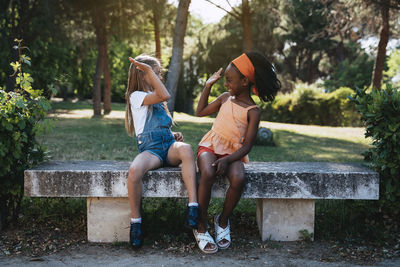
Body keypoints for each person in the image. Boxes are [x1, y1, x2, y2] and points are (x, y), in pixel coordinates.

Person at [193, 52, 281, 253]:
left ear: (244, 81)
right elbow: (200, 111)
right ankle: (200, 225)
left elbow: (247, 146)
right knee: (207, 172)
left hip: (233, 152)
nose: (226, 85)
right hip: (210, 146)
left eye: (229, 80)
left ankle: (222, 221)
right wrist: (208, 86)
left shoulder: (253, 111)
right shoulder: (225, 98)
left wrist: (227, 160)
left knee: (239, 178)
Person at [125, 55, 199, 248]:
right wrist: (148, 70)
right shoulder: (136, 96)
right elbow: (164, 94)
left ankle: (193, 207)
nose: (159, 78)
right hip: (151, 151)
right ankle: (136, 223)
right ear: (143, 76)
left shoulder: (157, 99)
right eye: (155, 74)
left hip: (168, 146)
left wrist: (173, 134)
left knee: (186, 150)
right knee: (134, 171)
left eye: (158, 74)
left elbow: (160, 122)